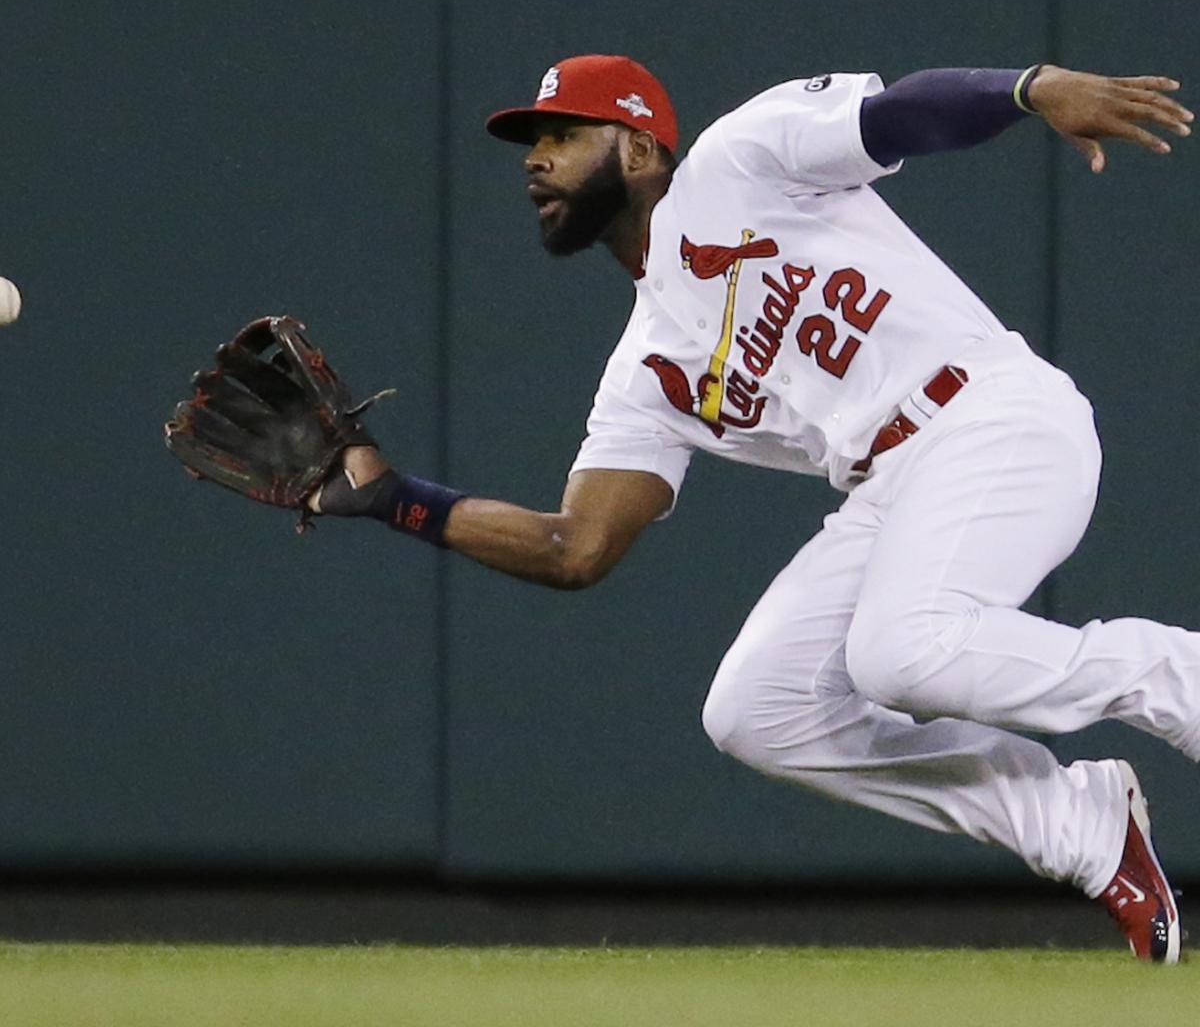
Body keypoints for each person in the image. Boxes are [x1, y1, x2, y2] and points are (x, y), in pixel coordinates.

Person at [310, 53, 1196, 962]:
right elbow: (575, 548)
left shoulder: (740, 159)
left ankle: (1182, 680)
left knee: (903, 652)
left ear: (643, 149)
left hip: (991, 413)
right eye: (533, 144)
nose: (537, 160)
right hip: (888, 483)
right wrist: (394, 499)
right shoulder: (644, 371)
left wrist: (1029, 88)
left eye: (565, 136)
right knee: (758, 710)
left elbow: (899, 116)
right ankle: (1082, 825)